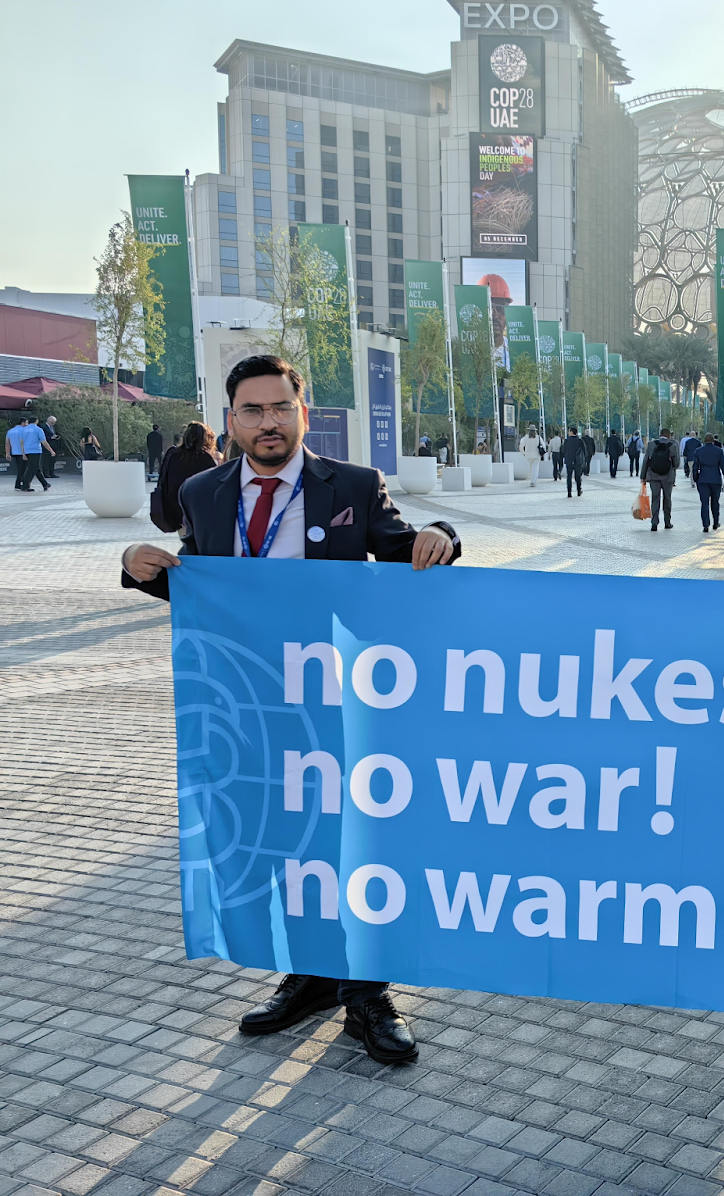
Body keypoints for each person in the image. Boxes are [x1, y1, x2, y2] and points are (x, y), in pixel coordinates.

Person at [120, 353, 460, 1066]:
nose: (268, 422)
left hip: (336, 703)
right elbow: (201, 584)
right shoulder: (206, 494)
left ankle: (366, 997)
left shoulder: (354, 486)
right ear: (232, 419)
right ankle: (307, 976)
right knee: (278, 840)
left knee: (344, 849)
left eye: (280, 407)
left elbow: (404, 556)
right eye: (253, 410)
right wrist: (142, 569)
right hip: (247, 705)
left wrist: (443, 539)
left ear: (303, 411)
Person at [151, 421, 221, 533]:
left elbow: (163, 477)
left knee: (185, 540)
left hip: (175, 508)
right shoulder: (204, 458)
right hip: (197, 511)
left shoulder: (173, 454)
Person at [692, 433, 724, 532]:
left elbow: (695, 467)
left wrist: (696, 479)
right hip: (716, 480)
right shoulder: (719, 451)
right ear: (713, 441)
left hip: (703, 480)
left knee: (704, 503)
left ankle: (705, 524)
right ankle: (716, 522)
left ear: (704, 441)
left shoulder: (698, 451)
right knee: (715, 502)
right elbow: (723, 466)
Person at [643, 429, 679, 531]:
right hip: (668, 477)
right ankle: (667, 522)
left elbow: (646, 461)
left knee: (655, 499)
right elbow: (676, 464)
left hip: (653, 476)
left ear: (660, 435)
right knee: (667, 499)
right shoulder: (673, 446)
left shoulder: (651, 444)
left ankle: (654, 523)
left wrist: (643, 477)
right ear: (668, 436)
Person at [17, 415, 53, 492]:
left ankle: (45, 484)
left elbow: (21, 442)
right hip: (35, 451)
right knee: (31, 469)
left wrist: (23, 453)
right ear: (36, 421)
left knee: (36, 468)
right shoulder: (38, 429)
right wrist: (51, 450)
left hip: (27, 451)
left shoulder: (23, 430)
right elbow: (44, 441)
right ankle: (25, 485)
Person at [561, 427, 587, 496]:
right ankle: (579, 490)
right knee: (577, 476)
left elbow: (563, 450)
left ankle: (569, 492)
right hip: (578, 461)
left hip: (569, 461)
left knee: (569, 476)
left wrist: (566, 456)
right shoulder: (580, 440)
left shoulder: (566, 441)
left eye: (569, 431)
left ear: (572, 432)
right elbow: (584, 451)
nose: (568, 433)